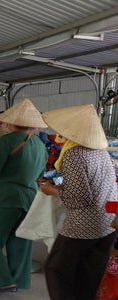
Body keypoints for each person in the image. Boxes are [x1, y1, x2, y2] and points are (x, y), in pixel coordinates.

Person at [39, 104, 117, 300]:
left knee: (56, 271)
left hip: (83, 227)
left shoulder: (74, 154)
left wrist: (52, 190)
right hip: (107, 224)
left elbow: (80, 199)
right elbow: (93, 185)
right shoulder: (100, 150)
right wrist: (62, 187)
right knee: (89, 276)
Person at [0, 98, 48, 293]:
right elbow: (40, 174)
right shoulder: (40, 145)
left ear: (12, 121)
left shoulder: (7, 140)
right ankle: (19, 280)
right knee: (20, 241)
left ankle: (2, 281)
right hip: (28, 199)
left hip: (4, 198)